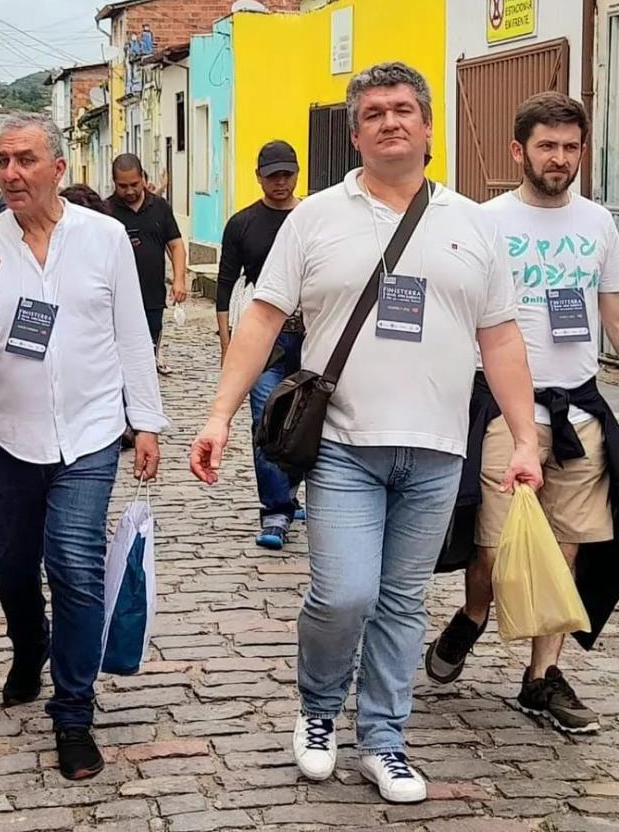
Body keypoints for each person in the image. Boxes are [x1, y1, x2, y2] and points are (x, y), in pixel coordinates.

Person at [189, 62, 542, 805]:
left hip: (439, 448)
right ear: (355, 133)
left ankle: (384, 737)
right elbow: (262, 318)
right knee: (344, 595)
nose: (391, 121)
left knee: (403, 602)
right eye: (374, 111)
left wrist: (526, 438)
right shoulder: (315, 218)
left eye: (404, 108)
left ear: (427, 125)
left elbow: (502, 338)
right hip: (345, 445)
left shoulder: (471, 224)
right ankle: (319, 710)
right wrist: (220, 412)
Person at [0, 112, 167, 782]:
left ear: (57, 169)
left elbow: (132, 332)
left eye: (24, 160)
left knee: (73, 565)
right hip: (11, 436)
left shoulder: (104, 238)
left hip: (91, 434)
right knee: (13, 567)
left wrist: (147, 420)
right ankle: (28, 645)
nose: (11, 174)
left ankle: (73, 711)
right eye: (2, 162)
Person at [426, 92, 619, 734]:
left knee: (565, 549)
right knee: (498, 548)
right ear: (519, 151)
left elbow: (610, 312)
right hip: (510, 411)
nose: (559, 159)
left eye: (570, 148)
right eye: (547, 147)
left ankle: (541, 678)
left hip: (580, 407)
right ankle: (474, 615)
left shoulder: (598, 223)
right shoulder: (485, 223)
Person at [217, 140, 305, 550]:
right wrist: (227, 343)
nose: (281, 182)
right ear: (259, 177)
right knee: (265, 421)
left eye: (287, 174)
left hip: (312, 338)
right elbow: (224, 284)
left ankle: (289, 490)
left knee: (307, 420)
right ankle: (275, 509)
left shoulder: (311, 220)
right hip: (263, 339)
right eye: (273, 175)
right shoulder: (242, 224)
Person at [108, 153, 187, 375]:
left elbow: (176, 245)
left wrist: (179, 279)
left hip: (152, 294)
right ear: (114, 182)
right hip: (117, 296)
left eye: (134, 184)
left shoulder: (160, 207)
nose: (130, 191)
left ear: (143, 177)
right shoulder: (106, 211)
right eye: (123, 186)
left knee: (150, 345)